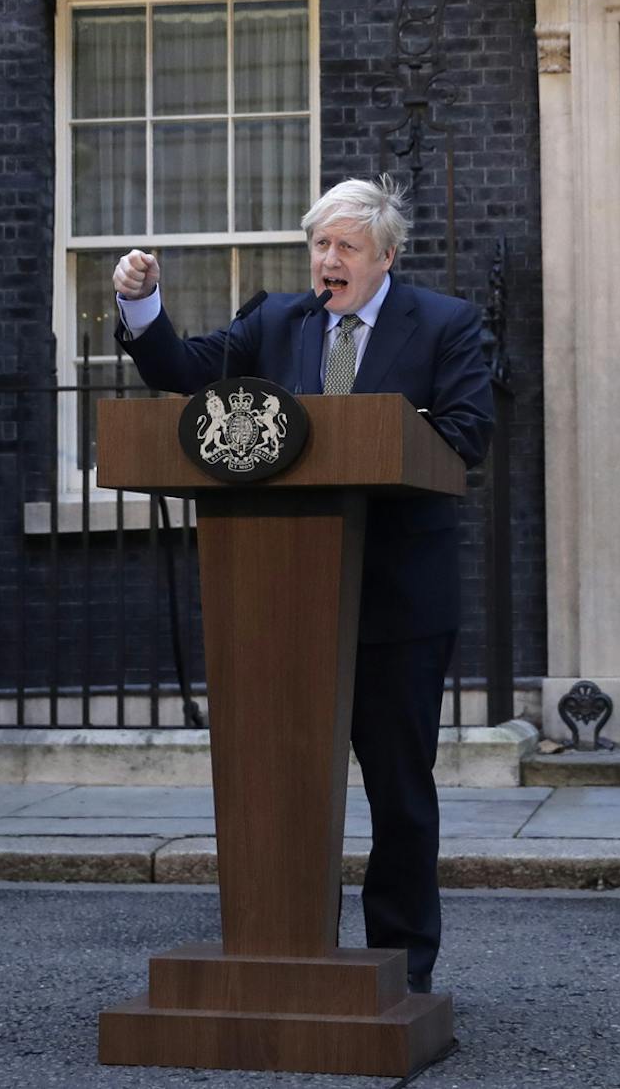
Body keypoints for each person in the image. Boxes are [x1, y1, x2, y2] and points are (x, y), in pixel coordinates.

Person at [112, 175, 493, 995]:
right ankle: (282, 951)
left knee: (398, 792)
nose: (329, 260)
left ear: (386, 256)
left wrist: (388, 433)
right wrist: (141, 306)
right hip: (281, 596)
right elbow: (187, 371)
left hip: (396, 600)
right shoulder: (276, 321)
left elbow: (467, 434)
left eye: (347, 246)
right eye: (320, 244)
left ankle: (404, 968)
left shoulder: (447, 324)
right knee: (278, 785)